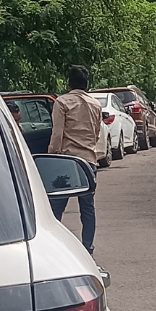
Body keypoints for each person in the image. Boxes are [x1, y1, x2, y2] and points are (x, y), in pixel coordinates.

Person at [48, 65, 102, 254]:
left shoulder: (62, 102)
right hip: (88, 161)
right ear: (87, 84)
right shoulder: (95, 104)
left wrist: (51, 155)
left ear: (69, 82)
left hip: (67, 161)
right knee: (87, 207)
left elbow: (57, 134)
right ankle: (88, 247)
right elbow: (96, 134)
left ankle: (53, 247)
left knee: (56, 206)